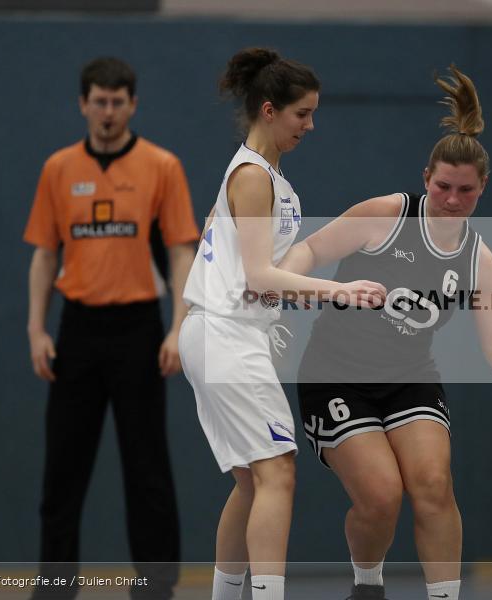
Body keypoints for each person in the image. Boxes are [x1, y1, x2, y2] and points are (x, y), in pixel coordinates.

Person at [277, 65, 492, 600]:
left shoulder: (482, 260)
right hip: (335, 374)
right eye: (443, 187)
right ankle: (368, 586)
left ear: (483, 189)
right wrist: (289, 281)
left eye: (466, 190)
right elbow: (314, 248)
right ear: (425, 178)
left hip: (409, 376)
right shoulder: (388, 215)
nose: (453, 199)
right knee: (382, 495)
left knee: (433, 486)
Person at [177, 47, 386, 600]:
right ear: (269, 110)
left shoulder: (263, 173)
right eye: (302, 114)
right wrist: (339, 290)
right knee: (278, 471)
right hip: (225, 332)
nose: (310, 125)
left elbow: (261, 273)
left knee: (252, 480)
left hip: (226, 330)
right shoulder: (252, 175)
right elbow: (260, 274)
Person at [24, 57, 198, 599]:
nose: (107, 111)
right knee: (62, 472)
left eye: (117, 101)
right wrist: (37, 329)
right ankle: (55, 587)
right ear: (83, 104)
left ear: (132, 104)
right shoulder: (58, 169)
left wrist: (178, 329)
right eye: (98, 101)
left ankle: (156, 587)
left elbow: (180, 252)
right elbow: (44, 256)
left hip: (138, 331)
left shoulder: (161, 166)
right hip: (77, 330)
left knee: (147, 470)